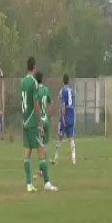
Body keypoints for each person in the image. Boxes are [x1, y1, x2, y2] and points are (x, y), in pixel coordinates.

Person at [21, 57, 57, 192]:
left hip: (25, 120)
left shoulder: (22, 81)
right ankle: (47, 183)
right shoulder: (33, 83)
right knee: (41, 150)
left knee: (28, 151)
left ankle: (29, 184)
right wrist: (40, 123)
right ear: (34, 67)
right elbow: (35, 103)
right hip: (32, 121)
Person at [52, 74, 77, 165]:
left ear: (63, 81)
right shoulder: (72, 91)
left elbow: (63, 105)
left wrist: (63, 117)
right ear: (68, 81)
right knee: (71, 138)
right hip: (71, 115)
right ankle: (74, 157)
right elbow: (73, 105)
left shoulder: (62, 91)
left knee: (60, 137)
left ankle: (56, 158)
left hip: (65, 116)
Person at [35, 71, 52, 176]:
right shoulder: (46, 89)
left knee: (40, 147)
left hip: (39, 121)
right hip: (45, 120)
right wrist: (47, 114)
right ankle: (42, 170)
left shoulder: (36, 90)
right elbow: (51, 102)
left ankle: (42, 171)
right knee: (43, 146)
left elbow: (35, 104)